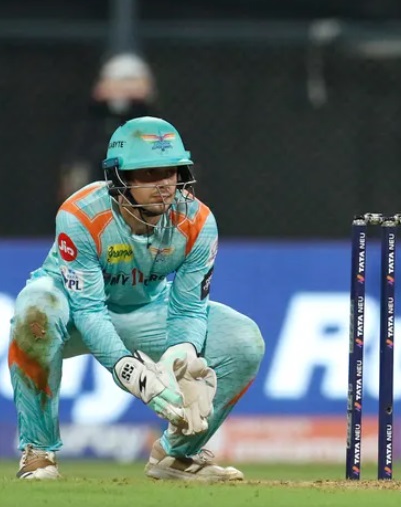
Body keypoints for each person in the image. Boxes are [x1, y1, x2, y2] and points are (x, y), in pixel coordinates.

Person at [9, 116, 264, 481]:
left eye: (171, 171)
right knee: (34, 310)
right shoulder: (81, 214)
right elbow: (89, 309)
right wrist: (129, 371)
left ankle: (177, 456)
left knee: (243, 340)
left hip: (144, 310)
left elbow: (189, 306)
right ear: (119, 178)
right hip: (68, 309)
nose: (164, 185)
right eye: (147, 174)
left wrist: (182, 353)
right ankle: (39, 452)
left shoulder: (198, 221)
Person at [59, 53, 159, 201]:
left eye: (130, 81)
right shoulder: (89, 127)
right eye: (116, 81)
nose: (124, 88)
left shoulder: (155, 125)